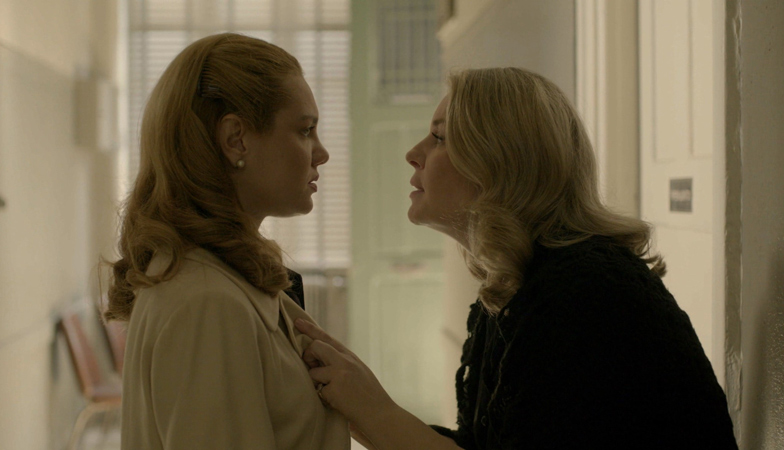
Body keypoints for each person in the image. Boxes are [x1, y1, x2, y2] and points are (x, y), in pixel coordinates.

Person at [294, 67, 739, 449]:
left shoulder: (587, 294)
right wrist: (357, 404)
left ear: (499, 162)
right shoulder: (523, 282)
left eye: (439, 138)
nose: (414, 154)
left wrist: (376, 410)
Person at [105, 33, 349, 449]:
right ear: (236, 139)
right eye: (306, 130)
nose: (321, 152)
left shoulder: (220, 278)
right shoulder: (207, 301)